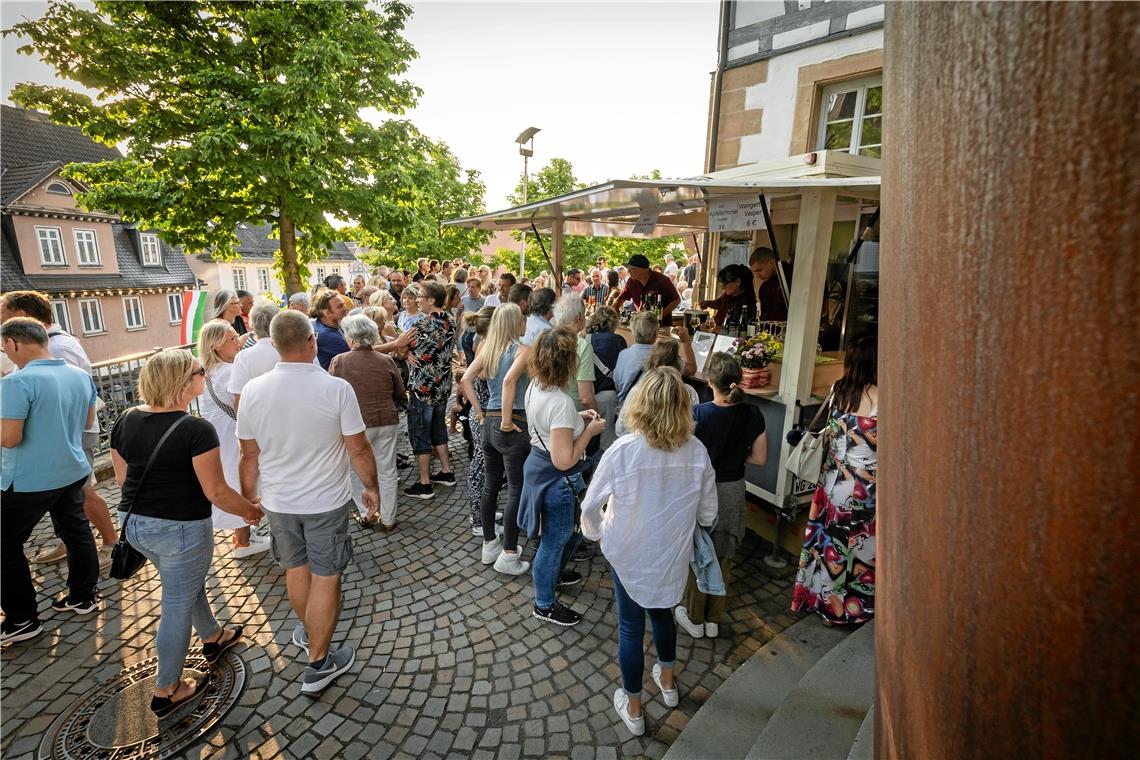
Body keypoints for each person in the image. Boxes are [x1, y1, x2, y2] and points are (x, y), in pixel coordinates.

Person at [110, 348, 262, 714]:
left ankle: (212, 636)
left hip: (135, 525)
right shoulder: (195, 430)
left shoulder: (126, 419)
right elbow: (217, 492)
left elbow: (120, 477)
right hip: (180, 529)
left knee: (184, 585)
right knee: (176, 604)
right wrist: (250, 511)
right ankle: (167, 689)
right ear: (182, 383)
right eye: (198, 372)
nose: (204, 376)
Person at [237, 311, 379, 695]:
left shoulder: (252, 390)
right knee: (327, 575)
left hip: (279, 502)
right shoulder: (335, 389)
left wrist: (248, 498)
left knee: (295, 569)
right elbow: (358, 447)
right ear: (311, 341)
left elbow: (248, 455)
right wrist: (372, 487)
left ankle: (307, 632)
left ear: (275, 345)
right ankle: (318, 663)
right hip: (325, 501)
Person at [580, 366, 718, 736]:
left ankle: (635, 707)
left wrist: (596, 533)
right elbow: (708, 513)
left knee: (629, 625)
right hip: (670, 551)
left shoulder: (623, 449)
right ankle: (669, 683)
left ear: (641, 403)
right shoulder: (697, 451)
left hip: (628, 549)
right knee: (663, 613)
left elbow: (591, 506)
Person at [1, 318, 101, 644]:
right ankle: (83, 596)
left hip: (28, 478)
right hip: (71, 469)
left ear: (14, 343)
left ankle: (21, 620)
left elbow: (10, 438)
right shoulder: (80, 376)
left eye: (4, 346)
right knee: (76, 530)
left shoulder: (16, 382)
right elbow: (88, 422)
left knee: (5, 545)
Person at [0, 290, 117, 566]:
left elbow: (69, 397)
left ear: (21, 315)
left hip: (69, 435)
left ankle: (111, 542)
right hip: (65, 434)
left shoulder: (58, 347)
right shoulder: (52, 344)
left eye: (3, 310)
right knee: (72, 501)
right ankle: (71, 545)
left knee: (83, 493)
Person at [676, 353, 767, 639]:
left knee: (698, 551)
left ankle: (694, 617)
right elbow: (760, 458)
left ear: (709, 381)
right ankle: (713, 619)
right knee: (725, 552)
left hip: (704, 488)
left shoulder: (698, 414)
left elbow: (684, 456)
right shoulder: (752, 413)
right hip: (734, 489)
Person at [519, 328, 605, 626]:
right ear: (566, 363)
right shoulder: (561, 402)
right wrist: (590, 432)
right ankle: (544, 604)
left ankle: (553, 575)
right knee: (553, 542)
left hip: (537, 467)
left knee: (556, 539)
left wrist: (576, 421)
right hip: (556, 479)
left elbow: (550, 430)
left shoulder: (534, 387)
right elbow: (565, 459)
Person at [792, 336, 878, 625]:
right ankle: (856, 609)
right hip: (866, 488)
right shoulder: (883, 398)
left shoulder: (838, 391)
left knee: (830, 546)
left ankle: (826, 605)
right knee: (862, 550)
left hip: (833, 483)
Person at [461, 304, 531, 576]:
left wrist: (480, 412)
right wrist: (505, 418)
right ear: (515, 322)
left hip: (487, 422)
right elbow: (510, 383)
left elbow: (466, 379)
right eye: (522, 318)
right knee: (515, 488)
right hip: (512, 422)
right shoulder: (523, 350)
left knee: (491, 484)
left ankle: (489, 543)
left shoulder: (488, 349)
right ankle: (509, 553)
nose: (525, 321)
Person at [198, 320, 270, 558]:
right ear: (216, 345)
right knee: (238, 482)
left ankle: (243, 534)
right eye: (231, 339)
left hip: (220, 434)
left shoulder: (209, 371)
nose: (237, 342)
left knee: (232, 479)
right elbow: (244, 403)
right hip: (231, 435)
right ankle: (243, 541)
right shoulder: (228, 371)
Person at [328, 315, 406, 531]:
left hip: (356, 424)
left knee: (355, 470)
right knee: (387, 470)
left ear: (351, 338)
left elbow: (332, 394)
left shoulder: (339, 361)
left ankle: (367, 513)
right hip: (386, 419)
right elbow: (401, 393)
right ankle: (389, 518)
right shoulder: (386, 360)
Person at [402, 281, 457, 499]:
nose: (417, 300)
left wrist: (405, 354)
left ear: (432, 300)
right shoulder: (451, 320)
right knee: (438, 428)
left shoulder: (422, 325)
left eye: (421, 297)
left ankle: (424, 483)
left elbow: (400, 345)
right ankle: (446, 471)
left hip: (423, 388)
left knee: (421, 432)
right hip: (442, 385)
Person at [460, 307, 495, 536]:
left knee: (482, 468)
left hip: (480, 415)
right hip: (481, 417)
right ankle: (479, 520)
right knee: (479, 469)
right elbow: (466, 380)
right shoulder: (485, 346)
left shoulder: (482, 341)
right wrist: (480, 411)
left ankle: (482, 513)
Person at [587, 306, 627, 451]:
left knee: (590, 441)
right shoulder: (618, 340)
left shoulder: (586, 338)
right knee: (607, 443)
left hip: (588, 394)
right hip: (608, 397)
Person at [551, 296, 597, 414]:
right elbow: (585, 398)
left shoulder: (546, 339)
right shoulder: (582, 346)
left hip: (548, 411)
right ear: (579, 318)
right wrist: (596, 417)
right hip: (572, 416)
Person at [608, 254, 680, 327]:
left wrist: (660, 316)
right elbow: (619, 300)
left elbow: (676, 300)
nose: (629, 271)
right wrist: (615, 313)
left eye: (632, 268)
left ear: (643, 269)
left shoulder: (662, 280)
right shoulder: (631, 282)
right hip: (641, 326)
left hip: (662, 326)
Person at [613, 312, 659, 404]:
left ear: (633, 333)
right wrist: (685, 341)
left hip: (626, 409)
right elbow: (691, 369)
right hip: (650, 410)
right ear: (655, 335)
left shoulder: (623, 354)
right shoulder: (661, 356)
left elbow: (617, 385)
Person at [702, 264, 757, 329]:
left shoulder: (745, 303)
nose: (723, 287)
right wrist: (708, 303)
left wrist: (711, 328)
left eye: (725, 284)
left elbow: (734, 330)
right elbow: (719, 303)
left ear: (738, 282)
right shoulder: (729, 295)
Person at [749, 247, 791, 322]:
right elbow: (765, 317)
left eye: (759, 270)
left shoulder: (791, 278)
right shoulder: (764, 288)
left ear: (771, 262)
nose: (757, 276)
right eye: (754, 272)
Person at [313, 289, 350, 370]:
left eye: (344, 304)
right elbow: (358, 354)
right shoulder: (328, 335)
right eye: (340, 306)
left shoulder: (319, 322)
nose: (345, 308)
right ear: (327, 313)